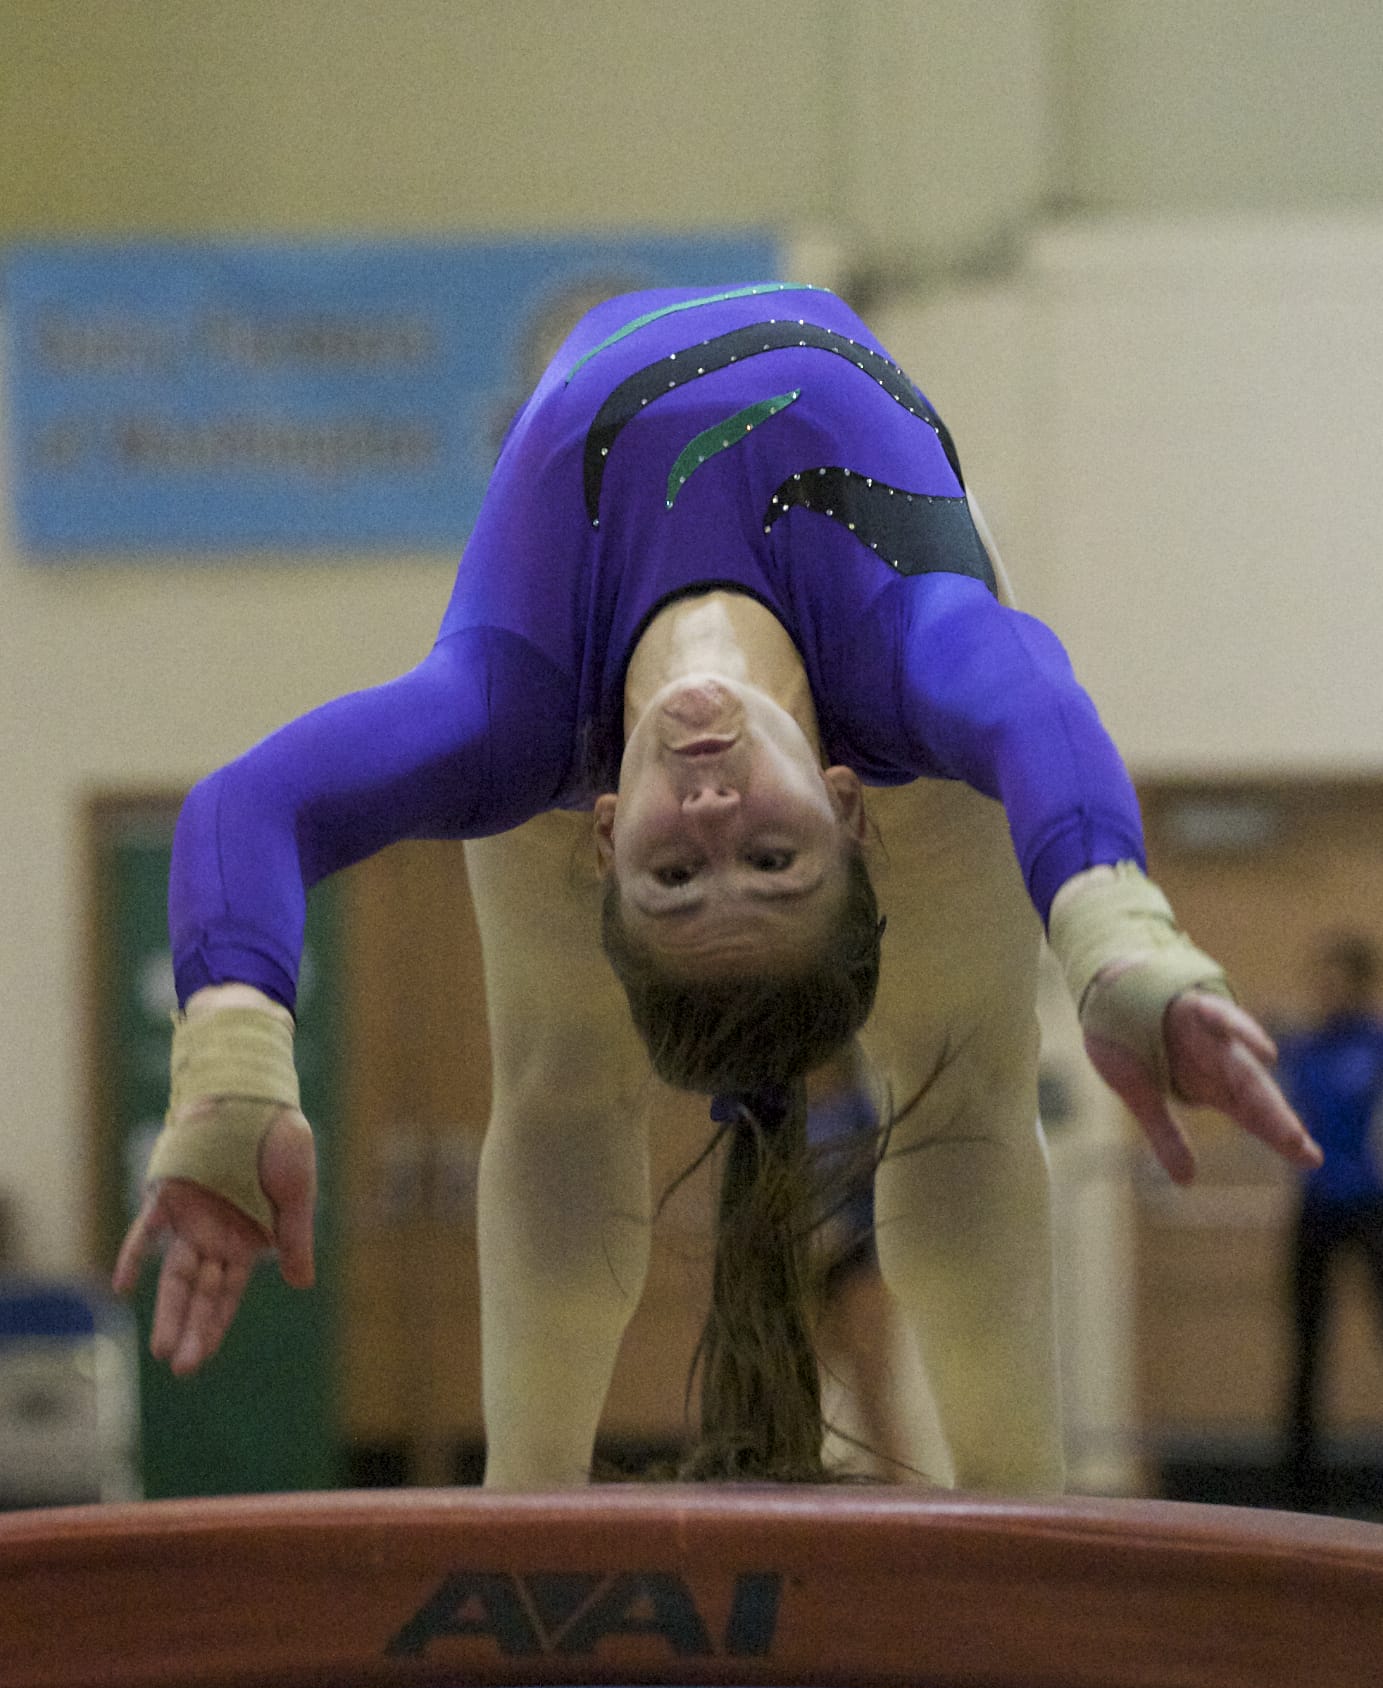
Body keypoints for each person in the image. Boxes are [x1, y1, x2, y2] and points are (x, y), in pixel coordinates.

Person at [113, 280, 1319, 1492]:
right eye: (774, 859)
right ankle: (1003, 1522)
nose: (711, 812)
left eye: (675, 871)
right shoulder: (909, 649)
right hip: (879, 678)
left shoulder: (511, 710)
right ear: (851, 815)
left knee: (571, 1082)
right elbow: (1039, 706)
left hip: (593, 694)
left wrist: (228, 1067)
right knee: (953, 1077)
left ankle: (541, 1520)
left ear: (604, 839)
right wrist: (1118, 943)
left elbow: (244, 805)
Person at [1277, 933, 1383, 1505]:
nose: (1326, 987)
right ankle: (1299, 1488)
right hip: (1315, 1204)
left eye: (1338, 975)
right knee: (1305, 1347)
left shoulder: (1376, 1044)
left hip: (1368, 1204)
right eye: (1321, 975)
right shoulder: (1301, 1046)